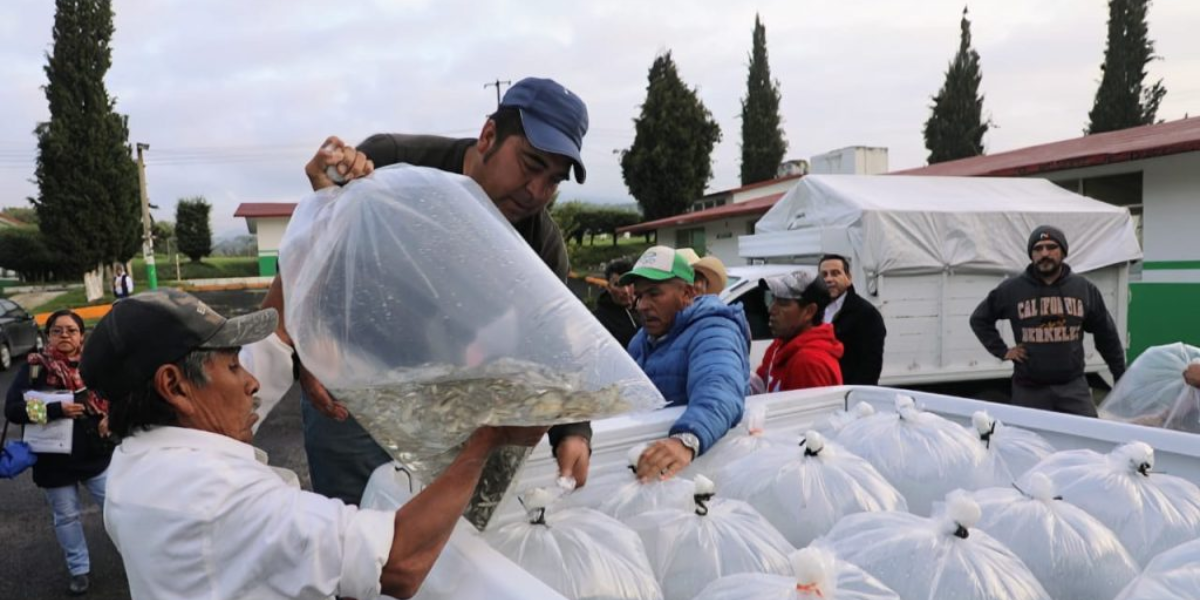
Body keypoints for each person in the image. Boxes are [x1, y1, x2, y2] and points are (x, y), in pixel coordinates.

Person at [79, 289, 547, 600]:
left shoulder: (136, 459)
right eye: (233, 367)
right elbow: (399, 561)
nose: (252, 382)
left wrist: (320, 210)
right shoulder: (218, 495)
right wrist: (485, 441)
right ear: (174, 386)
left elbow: (277, 334)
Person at [261, 77, 594, 503]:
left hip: (450, 409)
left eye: (553, 180)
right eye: (530, 164)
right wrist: (306, 351)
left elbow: (554, 343)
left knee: (436, 536)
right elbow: (304, 260)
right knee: (354, 527)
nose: (536, 191)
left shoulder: (540, 245)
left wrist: (573, 430)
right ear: (488, 135)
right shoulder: (391, 165)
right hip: (350, 394)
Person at [5, 309, 112, 596]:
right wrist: (55, 410)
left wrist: (109, 417)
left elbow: (114, 397)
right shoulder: (35, 369)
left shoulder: (94, 367)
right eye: (57, 330)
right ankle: (79, 570)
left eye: (71, 330)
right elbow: (13, 410)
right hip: (53, 461)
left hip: (95, 457)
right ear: (48, 336)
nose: (64, 335)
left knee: (116, 510)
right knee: (66, 518)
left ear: (81, 337)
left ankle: (136, 556)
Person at [620, 246, 750, 481]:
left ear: (687, 294)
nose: (642, 305)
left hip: (697, 476)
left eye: (654, 293)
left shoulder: (714, 329)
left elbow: (720, 387)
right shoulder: (642, 340)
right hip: (648, 467)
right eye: (639, 296)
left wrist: (686, 439)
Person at [970, 225, 1126, 416]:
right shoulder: (1012, 289)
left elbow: (1106, 334)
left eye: (1051, 247)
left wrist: (1120, 375)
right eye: (1038, 249)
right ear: (1031, 255)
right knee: (1026, 435)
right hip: (1029, 390)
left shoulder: (1083, 289)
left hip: (1073, 388)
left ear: (1063, 252)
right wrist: (1003, 351)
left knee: (1086, 433)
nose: (1044, 253)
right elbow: (979, 319)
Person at [751, 270, 844, 393]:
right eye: (773, 299)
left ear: (809, 311)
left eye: (783, 303)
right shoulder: (778, 346)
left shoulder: (809, 362)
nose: (771, 309)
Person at [819, 254, 886, 385]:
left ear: (848, 278)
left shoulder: (866, 314)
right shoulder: (813, 311)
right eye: (824, 275)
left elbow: (870, 367)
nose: (829, 279)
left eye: (835, 273)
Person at [593, 259, 640, 349]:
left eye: (629, 284)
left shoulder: (645, 309)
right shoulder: (599, 321)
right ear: (609, 287)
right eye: (618, 285)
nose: (625, 291)